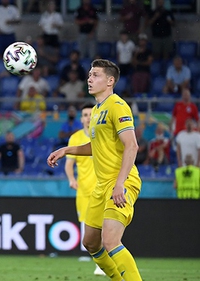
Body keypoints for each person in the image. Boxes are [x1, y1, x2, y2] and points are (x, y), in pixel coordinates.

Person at [47, 59, 142, 280]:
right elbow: (96, 146)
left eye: (95, 75)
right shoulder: (98, 110)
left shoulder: (117, 106)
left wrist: (120, 183)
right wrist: (67, 150)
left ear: (110, 81)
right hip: (102, 186)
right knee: (90, 242)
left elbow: (132, 145)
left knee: (110, 241)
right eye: (89, 74)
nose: (89, 78)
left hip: (122, 182)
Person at [64, 102, 105, 276]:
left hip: (103, 188)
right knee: (86, 224)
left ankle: (102, 261)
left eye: (91, 114)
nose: (88, 117)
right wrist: (72, 179)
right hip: (84, 190)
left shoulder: (102, 136)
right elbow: (69, 164)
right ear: (81, 119)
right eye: (85, 115)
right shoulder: (75, 138)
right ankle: (91, 254)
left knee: (103, 225)